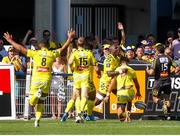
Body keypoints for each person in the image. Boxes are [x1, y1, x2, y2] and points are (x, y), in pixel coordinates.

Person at [3, 30, 75, 127]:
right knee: (41, 101)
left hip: (36, 80)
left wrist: (10, 41)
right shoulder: (52, 53)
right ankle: (37, 120)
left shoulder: (35, 53)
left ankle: (36, 95)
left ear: (39, 46)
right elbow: (63, 48)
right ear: (48, 46)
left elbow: (20, 48)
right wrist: (70, 38)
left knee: (32, 102)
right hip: (47, 80)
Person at [61, 37, 99, 123]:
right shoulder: (89, 53)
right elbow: (96, 66)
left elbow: (69, 62)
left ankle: (66, 113)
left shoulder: (74, 53)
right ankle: (83, 114)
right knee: (88, 96)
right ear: (85, 44)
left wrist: (72, 68)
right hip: (86, 77)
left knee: (75, 97)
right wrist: (99, 72)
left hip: (76, 76)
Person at [146, 44, 180, 120]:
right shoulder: (169, 58)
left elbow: (151, 72)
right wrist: (172, 72)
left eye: (155, 50)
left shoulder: (156, 59)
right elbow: (177, 67)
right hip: (167, 81)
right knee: (167, 98)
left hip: (158, 82)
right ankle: (168, 116)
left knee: (155, 98)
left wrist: (147, 70)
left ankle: (162, 104)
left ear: (157, 51)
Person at [105, 57, 141, 122]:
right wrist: (138, 92)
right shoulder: (132, 70)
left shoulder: (117, 70)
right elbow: (136, 84)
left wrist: (107, 95)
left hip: (121, 91)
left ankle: (125, 115)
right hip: (130, 91)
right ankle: (128, 114)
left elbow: (112, 84)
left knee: (120, 116)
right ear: (128, 62)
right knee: (129, 102)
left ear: (120, 62)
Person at [51, 54, 67, 120]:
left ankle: (59, 115)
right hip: (53, 84)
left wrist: (62, 75)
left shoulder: (63, 65)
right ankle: (53, 114)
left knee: (60, 100)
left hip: (60, 84)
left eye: (59, 57)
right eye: (56, 57)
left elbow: (66, 74)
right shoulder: (52, 64)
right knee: (53, 100)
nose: (57, 58)